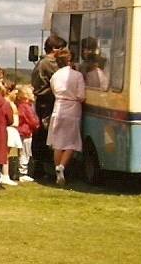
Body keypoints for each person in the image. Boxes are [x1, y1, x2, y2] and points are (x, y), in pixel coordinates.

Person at [31, 34, 67, 179]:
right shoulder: (49, 63)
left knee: (41, 135)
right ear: (54, 48)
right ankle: (43, 169)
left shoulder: (42, 62)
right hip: (47, 102)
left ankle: (40, 167)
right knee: (45, 135)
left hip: (43, 101)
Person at [47, 49, 85, 186]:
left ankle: (57, 170)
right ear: (69, 60)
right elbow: (81, 96)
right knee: (71, 142)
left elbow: (53, 91)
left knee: (57, 143)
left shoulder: (55, 76)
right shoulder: (77, 75)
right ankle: (61, 166)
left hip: (58, 107)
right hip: (73, 109)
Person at [16, 85, 39, 182]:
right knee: (25, 153)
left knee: (22, 152)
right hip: (26, 132)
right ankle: (23, 173)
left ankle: (21, 171)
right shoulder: (26, 107)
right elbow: (32, 121)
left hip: (21, 132)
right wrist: (37, 125)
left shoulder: (20, 106)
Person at [1, 79, 21, 186]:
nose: (16, 92)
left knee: (5, 153)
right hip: (9, 129)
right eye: (14, 90)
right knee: (5, 154)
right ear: (8, 91)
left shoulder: (10, 103)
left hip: (11, 129)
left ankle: (3, 175)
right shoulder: (7, 103)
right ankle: (4, 175)